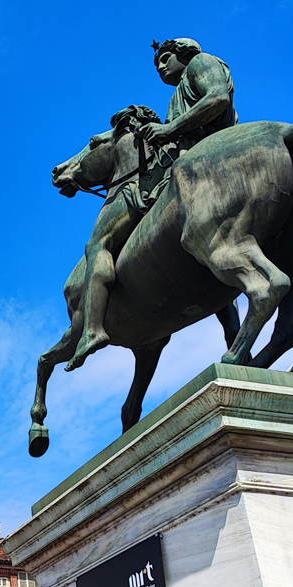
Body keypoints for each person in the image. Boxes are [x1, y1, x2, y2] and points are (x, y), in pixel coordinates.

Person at [65, 38, 238, 372]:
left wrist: (169, 128)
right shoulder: (180, 91)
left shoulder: (200, 64)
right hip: (192, 157)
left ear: (183, 54)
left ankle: (93, 329)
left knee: (98, 242)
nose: (160, 66)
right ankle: (232, 329)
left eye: (165, 58)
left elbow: (217, 99)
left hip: (199, 161)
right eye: (156, 63)